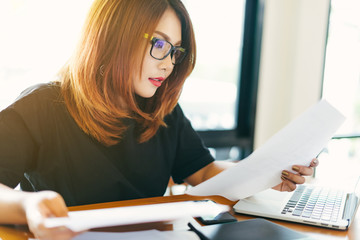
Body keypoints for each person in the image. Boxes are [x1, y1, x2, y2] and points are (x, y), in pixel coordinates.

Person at [0, 0, 319, 239]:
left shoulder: (161, 111)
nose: (168, 65)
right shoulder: (41, 106)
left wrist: (267, 173)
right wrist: (30, 206)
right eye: (160, 45)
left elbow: (204, 171)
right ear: (113, 36)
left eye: (175, 51)